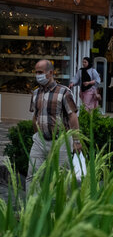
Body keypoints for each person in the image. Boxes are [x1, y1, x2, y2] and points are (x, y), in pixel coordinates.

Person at [28, 60, 82, 193]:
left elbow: (72, 116)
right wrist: (36, 135)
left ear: (50, 73)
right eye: (36, 72)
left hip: (61, 141)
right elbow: (35, 116)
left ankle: (64, 209)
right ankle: (33, 209)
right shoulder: (36, 93)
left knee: (63, 177)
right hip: (40, 142)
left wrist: (76, 140)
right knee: (33, 176)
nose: (37, 75)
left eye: (40, 72)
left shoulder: (64, 92)